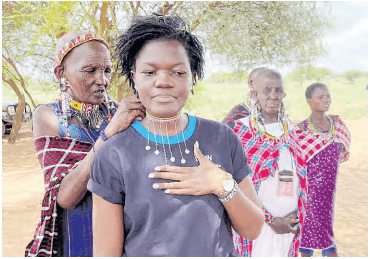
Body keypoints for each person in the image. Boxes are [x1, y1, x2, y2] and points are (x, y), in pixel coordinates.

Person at [87, 14, 264, 257]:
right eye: (149, 72)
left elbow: (253, 229)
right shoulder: (113, 153)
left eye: (178, 73)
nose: (164, 82)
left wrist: (221, 184)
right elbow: (106, 254)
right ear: (134, 76)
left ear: (193, 77)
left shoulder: (221, 137)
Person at [25, 31, 145, 256]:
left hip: (122, 232)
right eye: (90, 70)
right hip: (77, 231)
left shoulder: (120, 114)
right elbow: (65, 197)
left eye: (107, 70)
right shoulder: (49, 116)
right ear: (62, 74)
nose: (102, 80)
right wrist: (108, 136)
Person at [232, 69, 308, 257]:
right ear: (254, 93)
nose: (273, 96)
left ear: (284, 94)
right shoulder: (241, 130)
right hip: (256, 225)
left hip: (290, 227)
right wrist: (271, 219)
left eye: (278, 90)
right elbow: (234, 184)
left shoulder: (293, 131)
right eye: (267, 90)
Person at [296, 83, 351, 257]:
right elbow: (295, 160)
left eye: (328, 96)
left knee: (325, 224)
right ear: (309, 101)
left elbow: (344, 145)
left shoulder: (337, 124)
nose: (326, 100)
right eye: (321, 97)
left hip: (329, 191)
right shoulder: (302, 130)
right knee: (309, 228)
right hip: (309, 191)